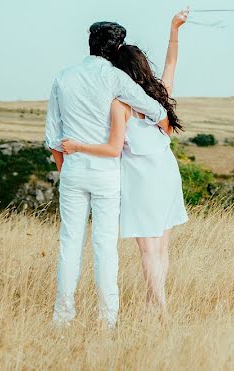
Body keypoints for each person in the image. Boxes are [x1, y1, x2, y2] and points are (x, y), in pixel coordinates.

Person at [62, 8, 189, 315]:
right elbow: (172, 61)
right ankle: (153, 304)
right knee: (161, 248)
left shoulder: (120, 104)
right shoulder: (159, 94)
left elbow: (114, 148)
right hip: (167, 170)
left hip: (141, 177)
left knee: (148, 249)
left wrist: (77, 146)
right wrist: (175, 28)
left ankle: (160, 306)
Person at [44, 21, 167, 328]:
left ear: (90, 43)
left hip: (73, 169)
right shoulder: (115, 78)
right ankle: (107, 320)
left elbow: (52, 136)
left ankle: (63, 317)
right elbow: (157, 111)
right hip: (106, 173)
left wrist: (66, 170)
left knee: (70, 243)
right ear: (115, 48)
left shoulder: (63, 76)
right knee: (104, 246)